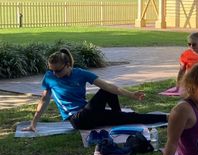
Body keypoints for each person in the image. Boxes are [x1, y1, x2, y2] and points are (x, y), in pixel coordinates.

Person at [21, 48, 167, 132]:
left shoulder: (81, 73)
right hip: (78, 120)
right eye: (51, 70)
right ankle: (119, 116)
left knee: (132, 116)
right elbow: (44, 100)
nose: (54, 74)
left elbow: (109, 86)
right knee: (107, 94)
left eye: (58, 70)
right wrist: (34, 123)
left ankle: (167, 118)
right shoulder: (49, 77)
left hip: (89, 113)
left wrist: (131, 95)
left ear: (67, 65)